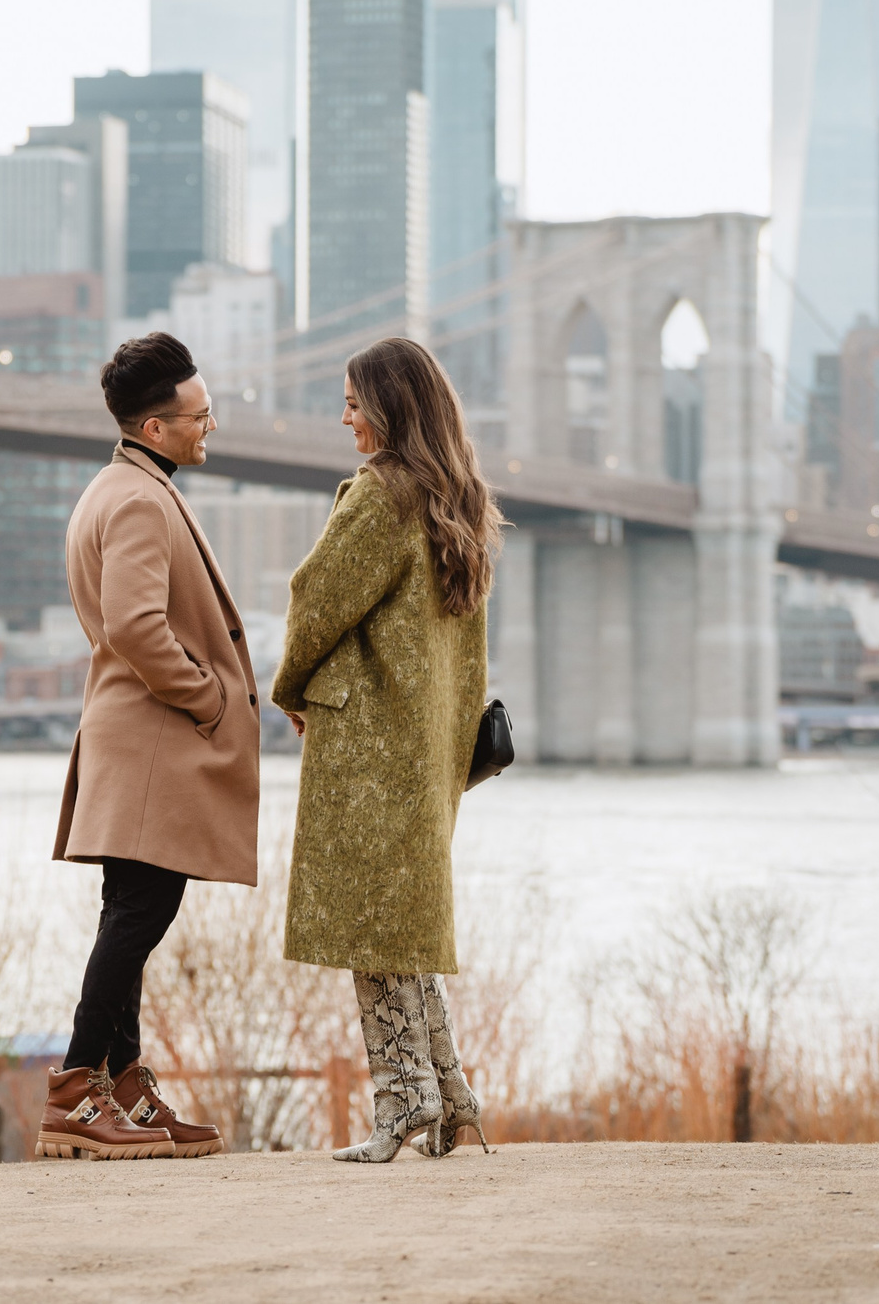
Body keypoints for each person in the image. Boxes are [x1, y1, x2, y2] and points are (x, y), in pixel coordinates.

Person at [272, 337, 501, 1163]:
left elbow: (315, 597)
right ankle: (451, 1094)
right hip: (427, 747)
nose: (345, 420)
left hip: (370, 748)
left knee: (371, 927)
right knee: (401, 924)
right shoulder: (458, 499)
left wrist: (293, 687)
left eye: (353, 404)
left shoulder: (382, 495)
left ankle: (403, 1100)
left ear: (390, 409)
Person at [41, 333, 259, 1161]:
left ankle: (124, 1085)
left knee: (129, 912)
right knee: (139, 915)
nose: (212, 426)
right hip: (152, 743)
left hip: (134, 739)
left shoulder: (115, 487)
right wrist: (208, 695)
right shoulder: (138, 500)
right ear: (156, 427)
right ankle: (74, 1090)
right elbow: (135, 625)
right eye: (200, 416)